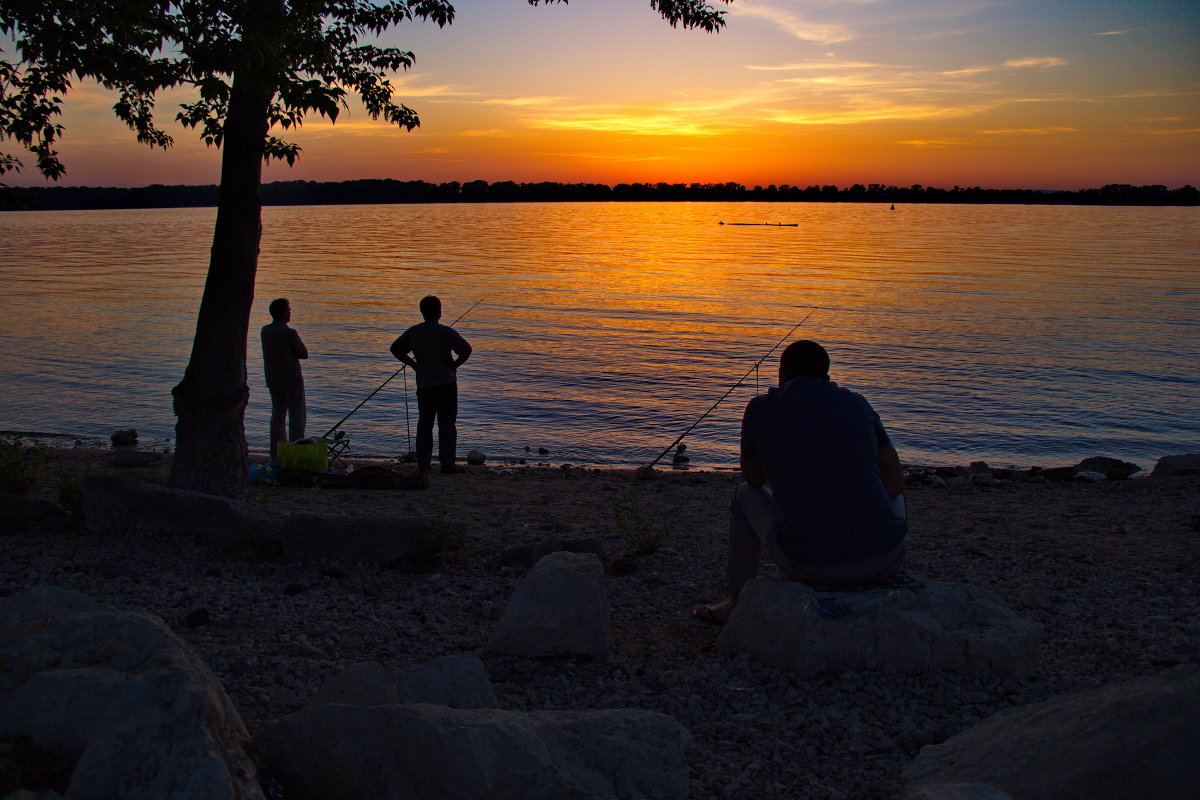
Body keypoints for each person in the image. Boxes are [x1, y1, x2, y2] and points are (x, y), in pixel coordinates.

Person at [693, 340, 907, 623]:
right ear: (827, 377)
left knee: (743, 496)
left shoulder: (761, 408)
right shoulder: (857, 403)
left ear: (781, 375)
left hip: (810, 565)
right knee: (896, 496)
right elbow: (895, 480)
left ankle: (737, 601)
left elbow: (754, 478)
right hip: (885, 559)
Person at [390, 295, 473, 473]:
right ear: (439, 312)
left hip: (425, 385)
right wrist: (454, 366)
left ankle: (423, 463)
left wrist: (414, 365)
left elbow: (395, 349)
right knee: (447, 425)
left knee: (425, 424)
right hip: (446, 385)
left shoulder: (414, 332)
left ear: (422, 312)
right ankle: (448, 464)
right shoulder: (446, 332)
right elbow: (466, 350)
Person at [260, 297, 309, 458]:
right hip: (291, 380)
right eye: (288, 309)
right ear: (282, 313)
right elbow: (303, 353)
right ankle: (295, 450)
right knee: (297, 416)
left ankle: (276, 452)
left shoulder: (265, 331)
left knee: (277, 416)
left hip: (273, 379)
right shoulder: (289, 332)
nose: (290, 312)